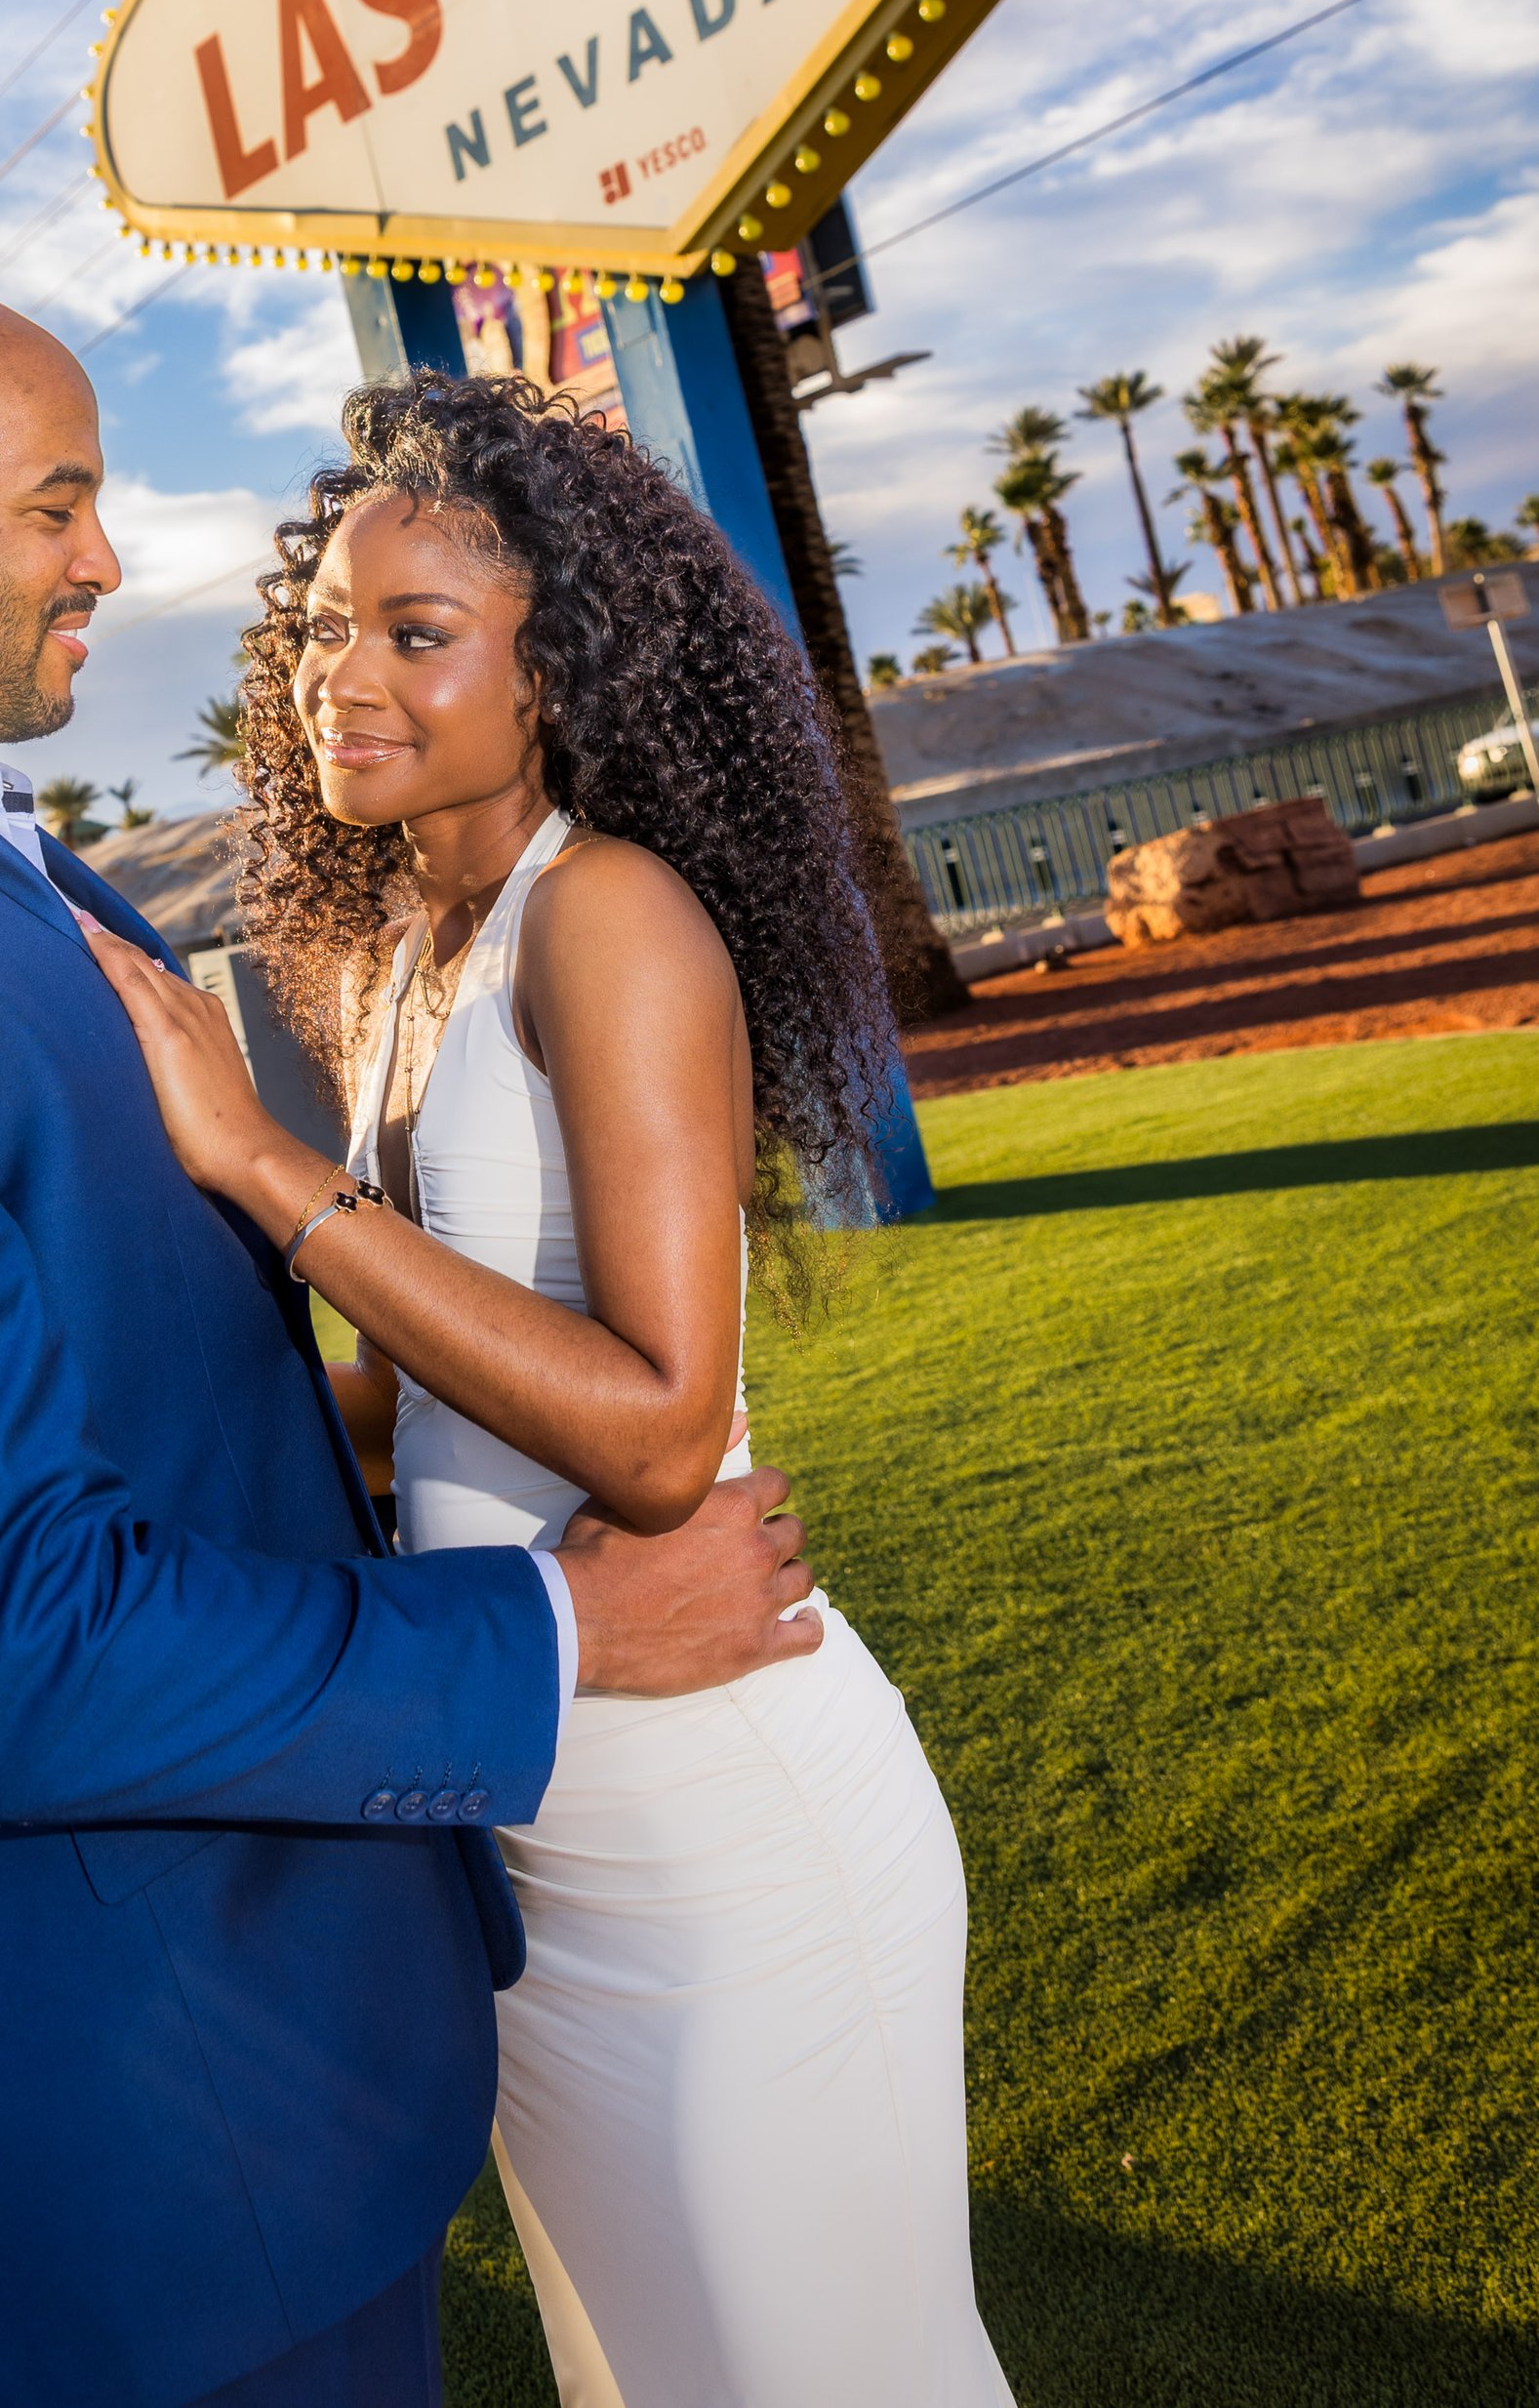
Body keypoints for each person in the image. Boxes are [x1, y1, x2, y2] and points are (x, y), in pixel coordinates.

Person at [0, 269, 827, 2408]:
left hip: (269, 2039)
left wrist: (386, 1414)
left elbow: (95, 1356)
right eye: (55, 507)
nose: (107, 563)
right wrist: (567, 1636)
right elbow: (5, 1647)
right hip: (132, 2136)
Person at [86, 370, 1015, 2408]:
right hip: (543, 1838)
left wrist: (260, 1169)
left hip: (727, 1830)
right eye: (329, 624)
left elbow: (664, 1430)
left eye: (416, 635)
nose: (343, 674)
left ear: (556, 670)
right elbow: (439, 1410)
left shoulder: (605, 917)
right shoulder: (406, 946)